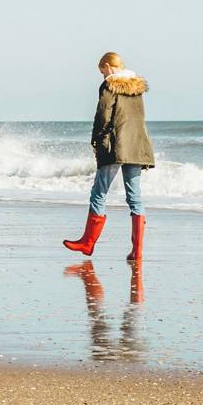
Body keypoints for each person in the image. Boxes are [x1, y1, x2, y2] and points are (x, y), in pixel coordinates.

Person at [63, 52, 155, 260]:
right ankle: (137, 251)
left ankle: (87, 243)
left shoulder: (109, 85)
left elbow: (103, 114)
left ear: (107, 66)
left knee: (99, 192)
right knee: (135, 197)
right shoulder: (136, 88)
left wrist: (96, 139)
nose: (102, 75)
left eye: (102, 70)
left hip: (115, 146)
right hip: (137, 145)